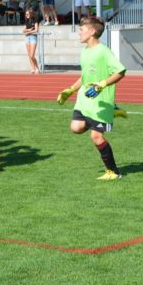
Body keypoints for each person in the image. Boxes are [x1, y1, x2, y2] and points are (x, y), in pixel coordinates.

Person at [56, 16, 126, 181]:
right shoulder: (85, 51)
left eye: (82, 30)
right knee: (76, 127)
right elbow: (85, 76)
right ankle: (111, 112)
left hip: (100, 102)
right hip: (84, 101)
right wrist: (71, 89)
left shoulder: (103, 51)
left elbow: (120, 71)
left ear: (92, 31)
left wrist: (102, 84)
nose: (79, 32)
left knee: (96, 136)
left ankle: (114, 172)